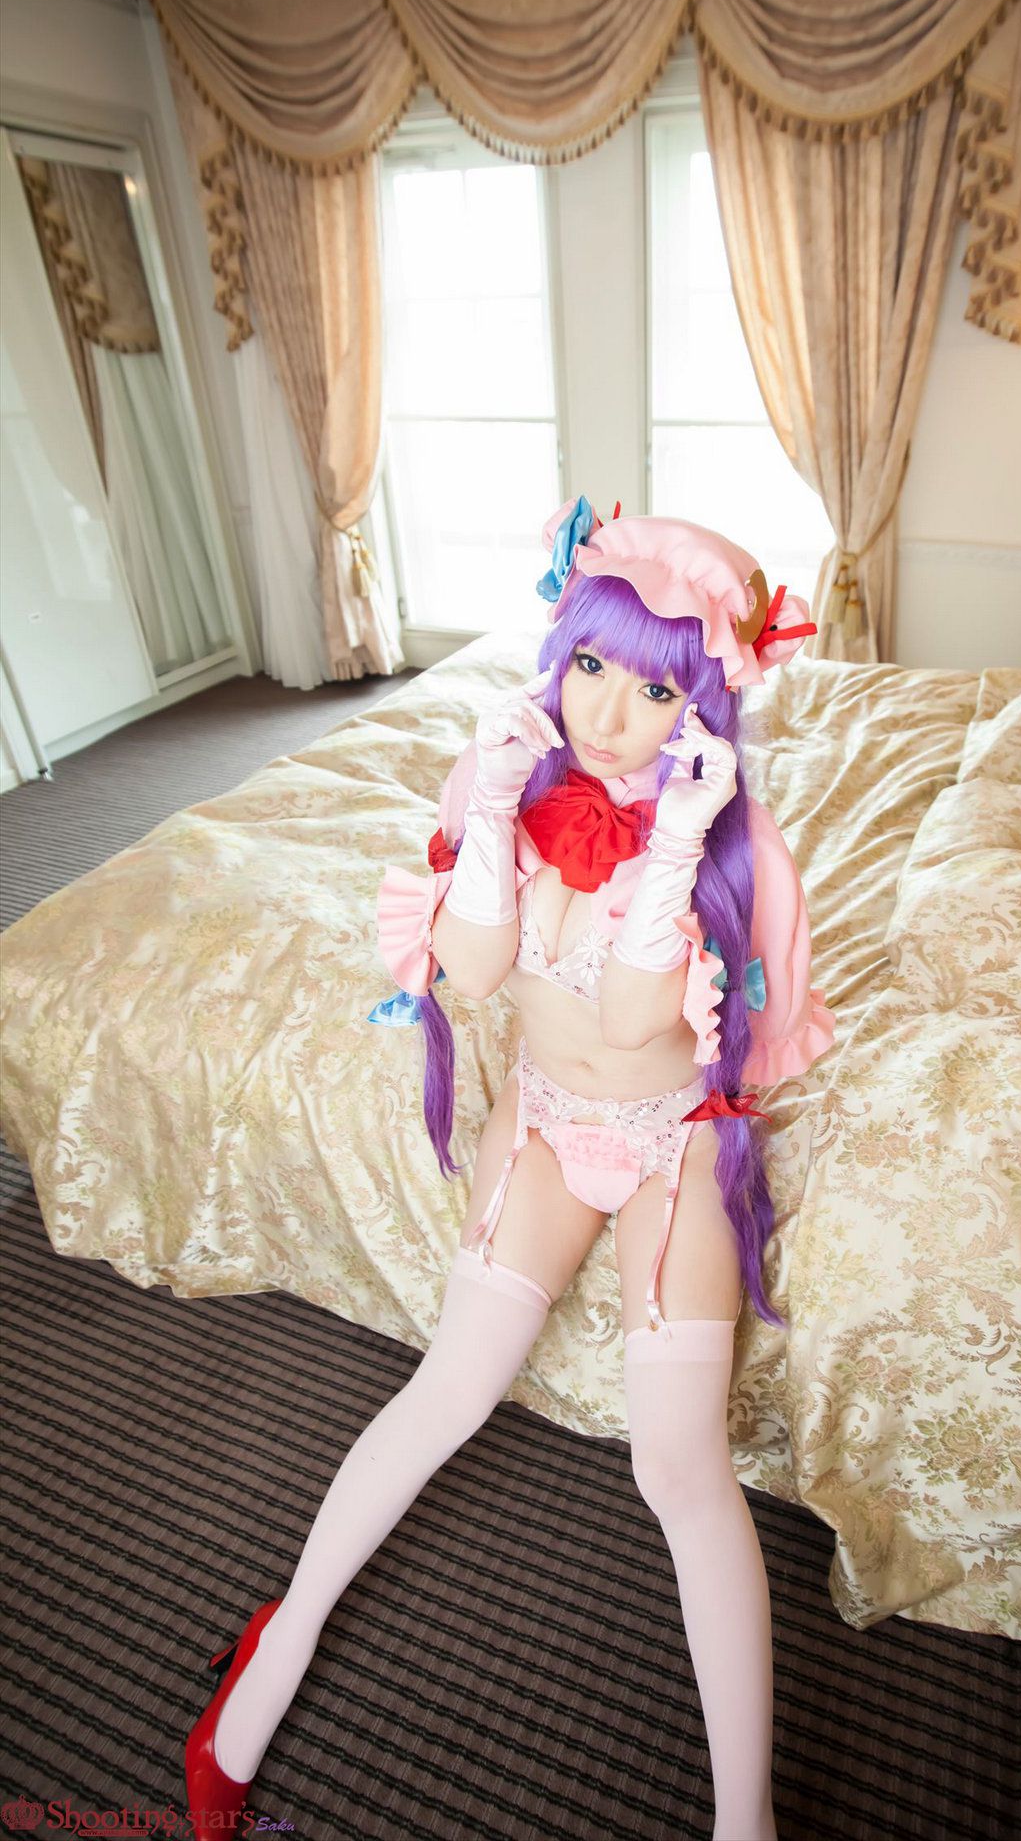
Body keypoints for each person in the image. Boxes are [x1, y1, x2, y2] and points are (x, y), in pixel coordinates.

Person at [184, 498, 836, 1840]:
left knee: (678, 1468)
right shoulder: (510, 788)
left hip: (671, 1143)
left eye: (654, 687)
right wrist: (487, 806)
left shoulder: (733, 849)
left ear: (702, 704)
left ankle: (745, 1820)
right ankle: (277, 1645)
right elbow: (475, 972)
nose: (606, 714)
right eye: (589, 664)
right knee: (450, 1389)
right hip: (540, 1121)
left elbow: (635, 1022)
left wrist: (674, 840)